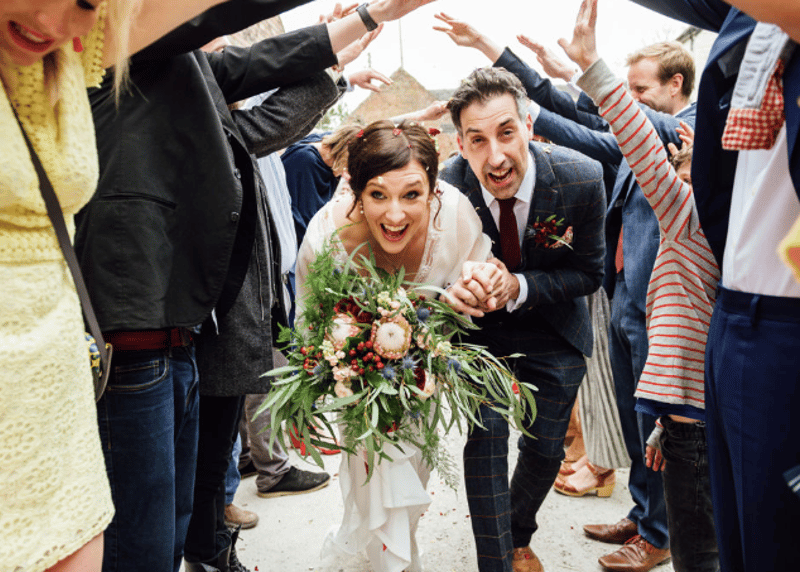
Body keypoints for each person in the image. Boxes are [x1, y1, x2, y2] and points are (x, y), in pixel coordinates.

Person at [77, 2, 436, 571]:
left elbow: (255, 81)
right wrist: (370, 15)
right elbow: (236, 49)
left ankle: (207, 546)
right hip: (135, 339)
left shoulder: (203, 104)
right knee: (142, 540)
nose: (222, 51)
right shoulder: (122, 54)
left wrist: (341, 47)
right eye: (215, 42)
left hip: (183, 337)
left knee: (176, 520)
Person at [0, 1, 270, 571]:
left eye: (87, 4)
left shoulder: (67, 58)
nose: (52, 21)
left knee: (157, 544)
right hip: (90, 358)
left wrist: (374, 15)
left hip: (62, 384)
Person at [629, 2, 800, 571]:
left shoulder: (683, 214)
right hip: (730, 329)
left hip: (780, 322)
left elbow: (636, 139)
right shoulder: (746, 24)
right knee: (734, 544)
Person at [559, 2, 721, 571]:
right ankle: (649, 521)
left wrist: (592, 70)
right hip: (684, 406)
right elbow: (644, 150)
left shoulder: (705, 217)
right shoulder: (705, 216)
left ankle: (658, 532)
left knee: (706, 538)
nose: (680, 173)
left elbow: (645, 143)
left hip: (702, 407)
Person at [296, 119, 498, 572]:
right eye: (378, 195)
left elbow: (479, 276)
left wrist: (474, 292)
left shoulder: (456, 217)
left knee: (414, 478)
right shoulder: (325, 239)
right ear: (355, 189)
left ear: (433, 190)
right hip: (356, 382)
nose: (394, 215)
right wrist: (316, 384)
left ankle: (394, 554)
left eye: (411, 195)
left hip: (424, 377)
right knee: (367, 479)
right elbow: (308, 322)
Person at [439, 67, 606, 572]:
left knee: (547, 448)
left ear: (529, 125)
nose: (495, 156)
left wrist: (519, 286)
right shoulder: (444, 188)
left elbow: (589, 272)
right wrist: (455, 292)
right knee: (486, 436)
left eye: (506, 132)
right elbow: (431, 273)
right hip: (478, 334)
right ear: (460, 144)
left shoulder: (582, 177)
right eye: (477, 139)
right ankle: (496, 562)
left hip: (554, 324)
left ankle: (516, 533)